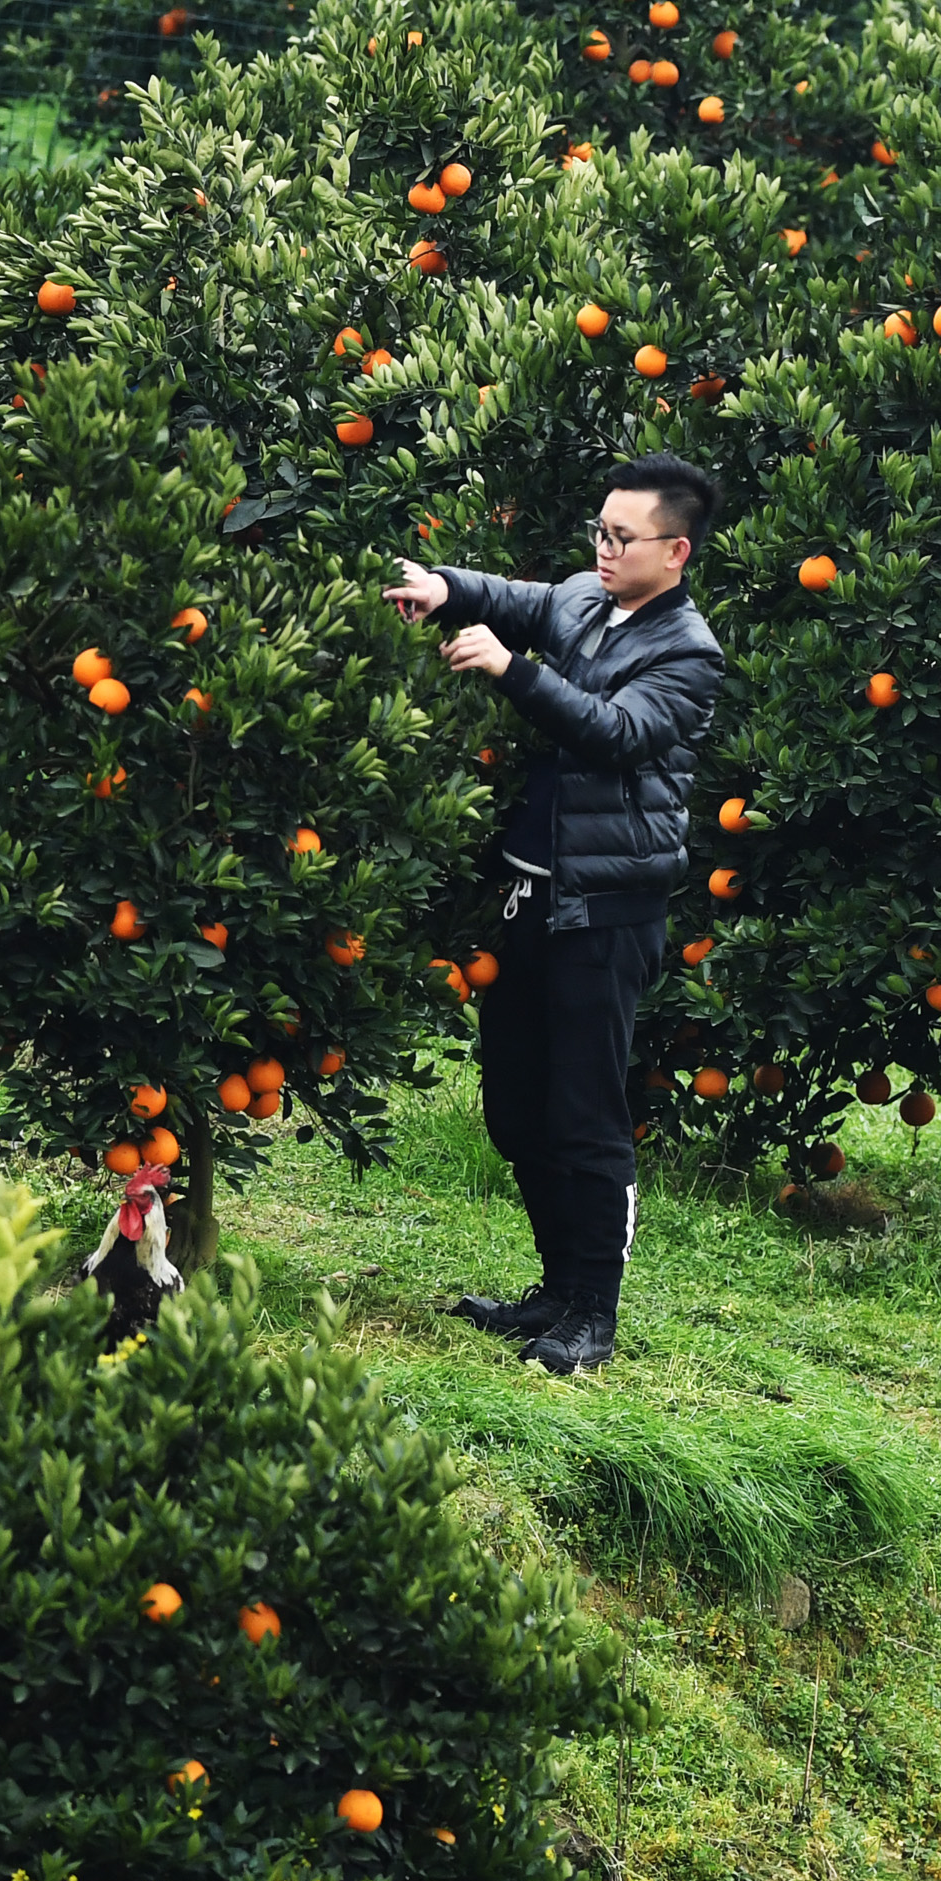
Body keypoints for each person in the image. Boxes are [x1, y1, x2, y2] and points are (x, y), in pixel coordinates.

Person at [384, 454, 725, 1376]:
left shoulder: (686, 652)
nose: (605, 550)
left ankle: (593, 1316)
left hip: (605, 910)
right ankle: (555, 1288)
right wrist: (445, 587)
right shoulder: (585, 595)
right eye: (600, 532)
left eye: (624, 537)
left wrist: (511, 671)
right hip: (530, 897)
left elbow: (615, 733)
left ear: (676, 550)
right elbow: (520, 597)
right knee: (516, 1109)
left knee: (585, 1116)